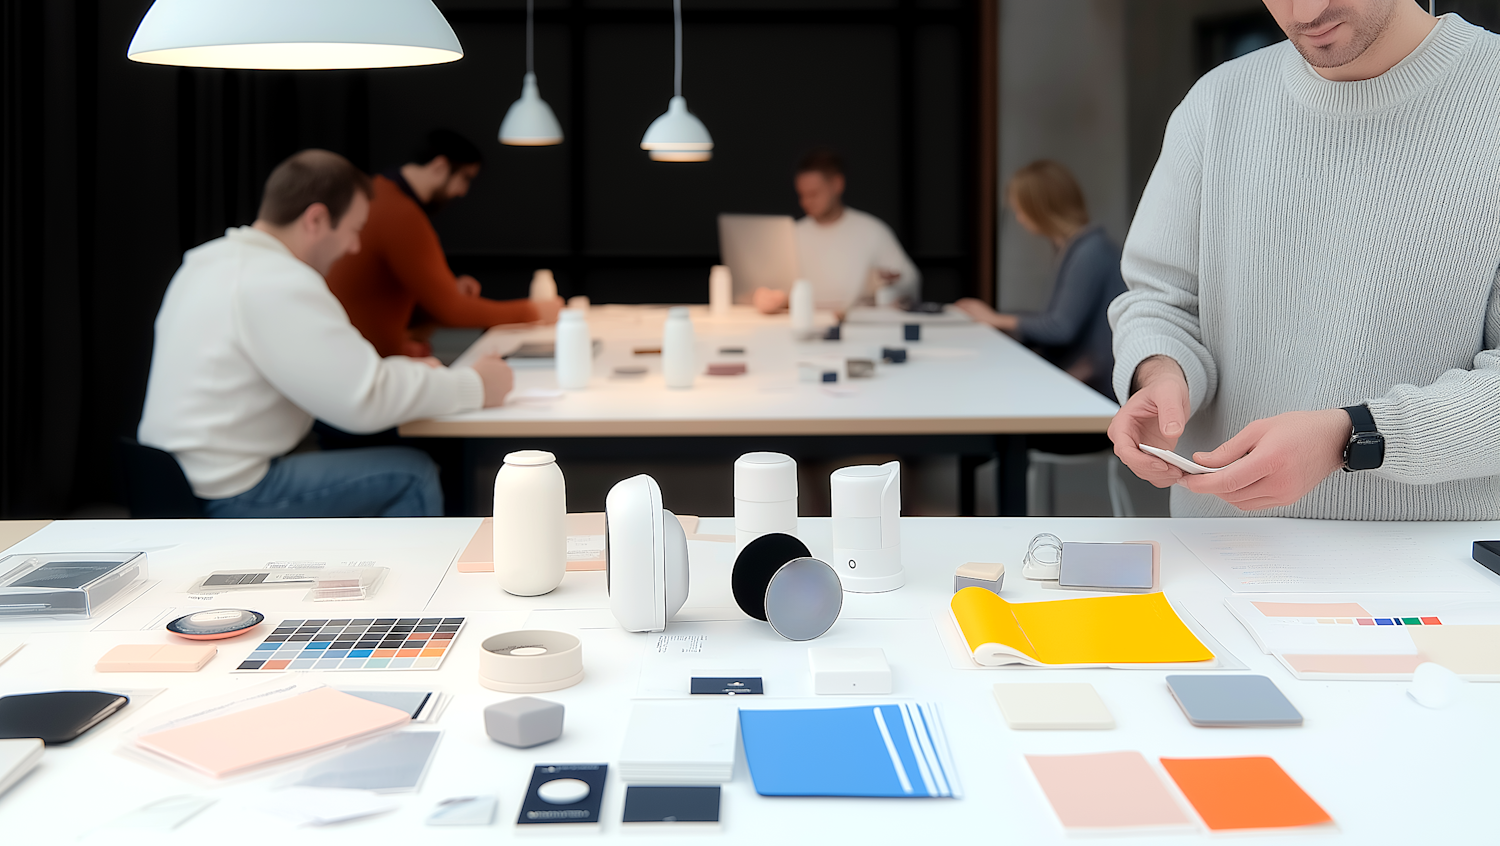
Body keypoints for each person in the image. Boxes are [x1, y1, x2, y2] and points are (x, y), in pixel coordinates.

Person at [1108, 0, 1500, 519]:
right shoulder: (1215, 104)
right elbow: (1160, 300)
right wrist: (1161, 375)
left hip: (1429, 572)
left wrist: (1355, 434)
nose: (1307, 10)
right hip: (1221, 558)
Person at [138, 149, 515, 518]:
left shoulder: (206, 263)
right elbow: (366, 398)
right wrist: (476, 385)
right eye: (354, 230)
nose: (354, 247)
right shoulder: (277, 280)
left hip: (168, 480)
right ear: (316, 219)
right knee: (411, 475)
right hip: (228, 492)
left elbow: (348, 384)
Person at [326, 129, 562, 359]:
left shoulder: (378, 192)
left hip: (355, 355)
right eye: (465, 178)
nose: (463, 191)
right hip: (369, 365)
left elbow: (379, 294)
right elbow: (453, 311)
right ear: (440, 166)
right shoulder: (400, 214)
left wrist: (445, 290)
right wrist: (535, 311)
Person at [956, 160, 1125, 399]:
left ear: (1041, 208)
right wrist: (997, 320)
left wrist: (996, 319)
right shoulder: (1077, 247)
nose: (1020, 219)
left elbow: (1060, 328)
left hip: (1093, 387)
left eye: (1021, 210)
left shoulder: (1089, 251)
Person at [753, 149, 919, 316]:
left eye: (814, 194)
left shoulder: (871, 231)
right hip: (803, 326)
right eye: (802, 195)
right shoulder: (791, 236)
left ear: (837, 184)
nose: (806, 202)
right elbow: (770, 289)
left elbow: (910, 281)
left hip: (857, 329)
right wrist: (768, 298)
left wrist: (890, 286)